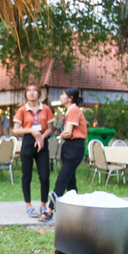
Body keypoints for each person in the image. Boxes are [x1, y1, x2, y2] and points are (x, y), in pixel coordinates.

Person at [40, 87, 87, 222]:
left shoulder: (74, 110)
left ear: (70, 97)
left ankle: (49, 210)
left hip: (74, 147)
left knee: (62, 179)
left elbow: (68, 132)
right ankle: (79, 212)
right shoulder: (70, 110)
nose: (61, 96)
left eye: (63, 94)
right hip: (69, 147)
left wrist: (60, 134)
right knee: (70, 182)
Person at [13, 84, 55, 218]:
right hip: (28, 142)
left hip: (42, 142)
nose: (31, 93)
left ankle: (43, 205)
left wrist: (41, 137)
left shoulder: (46, 109)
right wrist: (31, 130)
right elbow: (16, 129)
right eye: (29, 91)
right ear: (26, 94)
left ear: (39, 93)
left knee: (44, 176)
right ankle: (28, 206)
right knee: (27, 176)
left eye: (34, 91)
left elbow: (50, 128)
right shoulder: (22, 110)